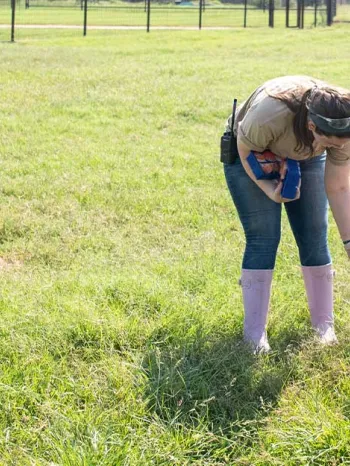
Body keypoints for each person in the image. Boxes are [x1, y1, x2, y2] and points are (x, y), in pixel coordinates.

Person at [223, 75, 350, 353]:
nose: (339, 148)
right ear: (312, 125)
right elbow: (245, 150)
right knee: (264, 237)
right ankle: (254, 335)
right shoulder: (269, 113)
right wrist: (270, 191)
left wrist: (349, 243)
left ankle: (324, 326)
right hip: (251, 150)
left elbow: (339, 186)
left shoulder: (342, 127)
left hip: (306, 154)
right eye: (332, 143)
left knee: (315, 235)